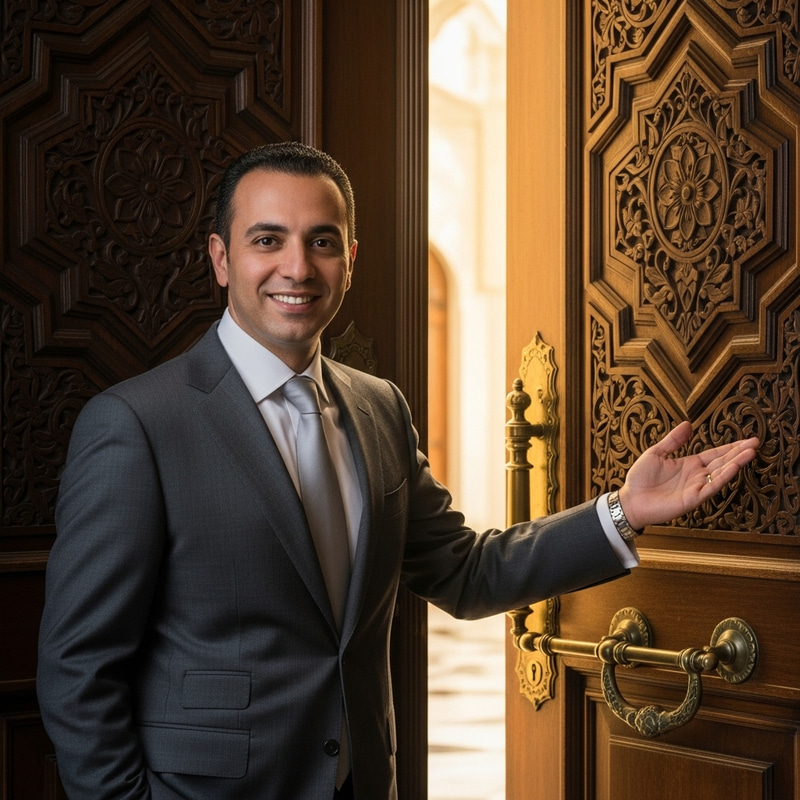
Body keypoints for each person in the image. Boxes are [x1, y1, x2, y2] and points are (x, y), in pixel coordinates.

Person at [37, 142, 759, 800]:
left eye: (322, 242)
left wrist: (623, 511)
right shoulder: (135, 425)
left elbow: (464, 573)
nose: (297, 267)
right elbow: (78, 669)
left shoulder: (378, 407)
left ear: (350, 258)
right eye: (268, 240)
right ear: (222, 258)